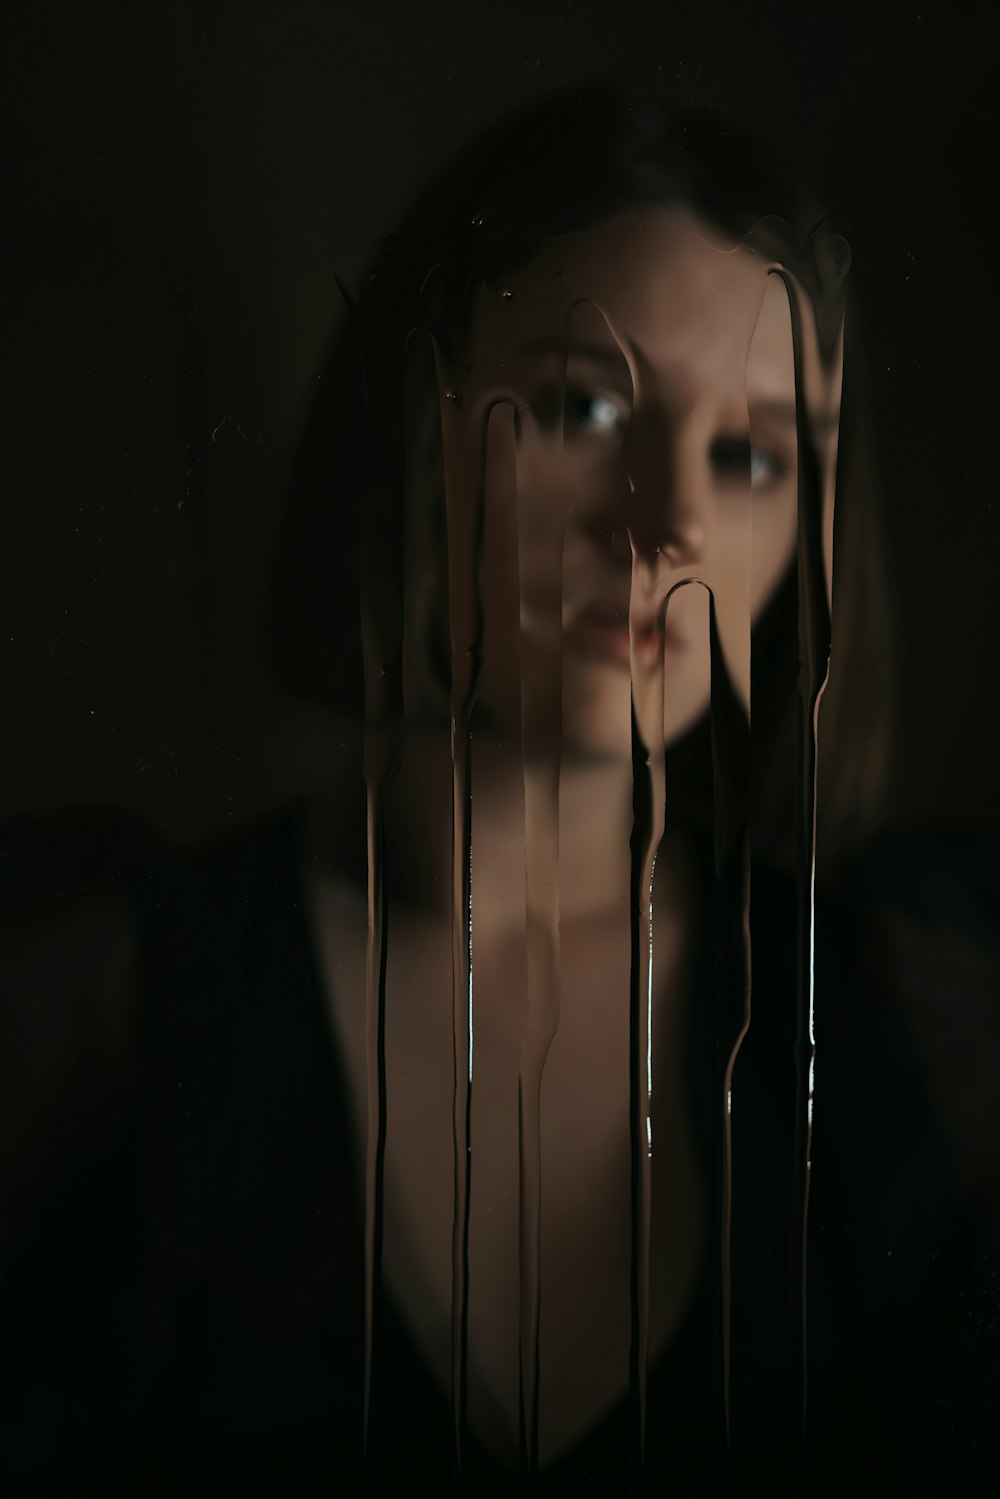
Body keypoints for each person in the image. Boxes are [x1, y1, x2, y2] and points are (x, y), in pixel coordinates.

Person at [1, 81, 996, 1498]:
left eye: (755, 453)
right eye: (584, 403)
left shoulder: (934, 1019)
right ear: (414, 412)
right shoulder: (84, 1010)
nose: (672, 525)